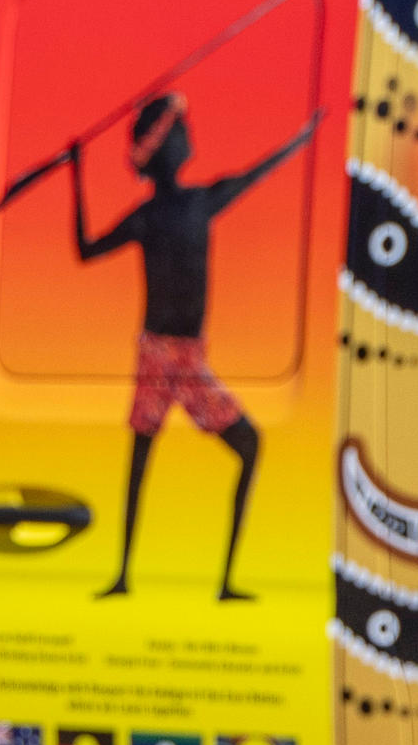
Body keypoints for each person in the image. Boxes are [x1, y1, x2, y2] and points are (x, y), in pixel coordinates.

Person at [70, 89, 300, 601]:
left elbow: (255, 174)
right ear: (167, 148)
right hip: (164, 353)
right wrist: (76, 171)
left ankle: (161, 578)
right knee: (153, 458)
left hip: (177, 353)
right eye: (182, 130)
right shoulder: (183, 207)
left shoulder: (173, 209)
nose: (190, 136)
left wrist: (76, 172)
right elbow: (87, 252)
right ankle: (152, 577)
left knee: (148, 459)